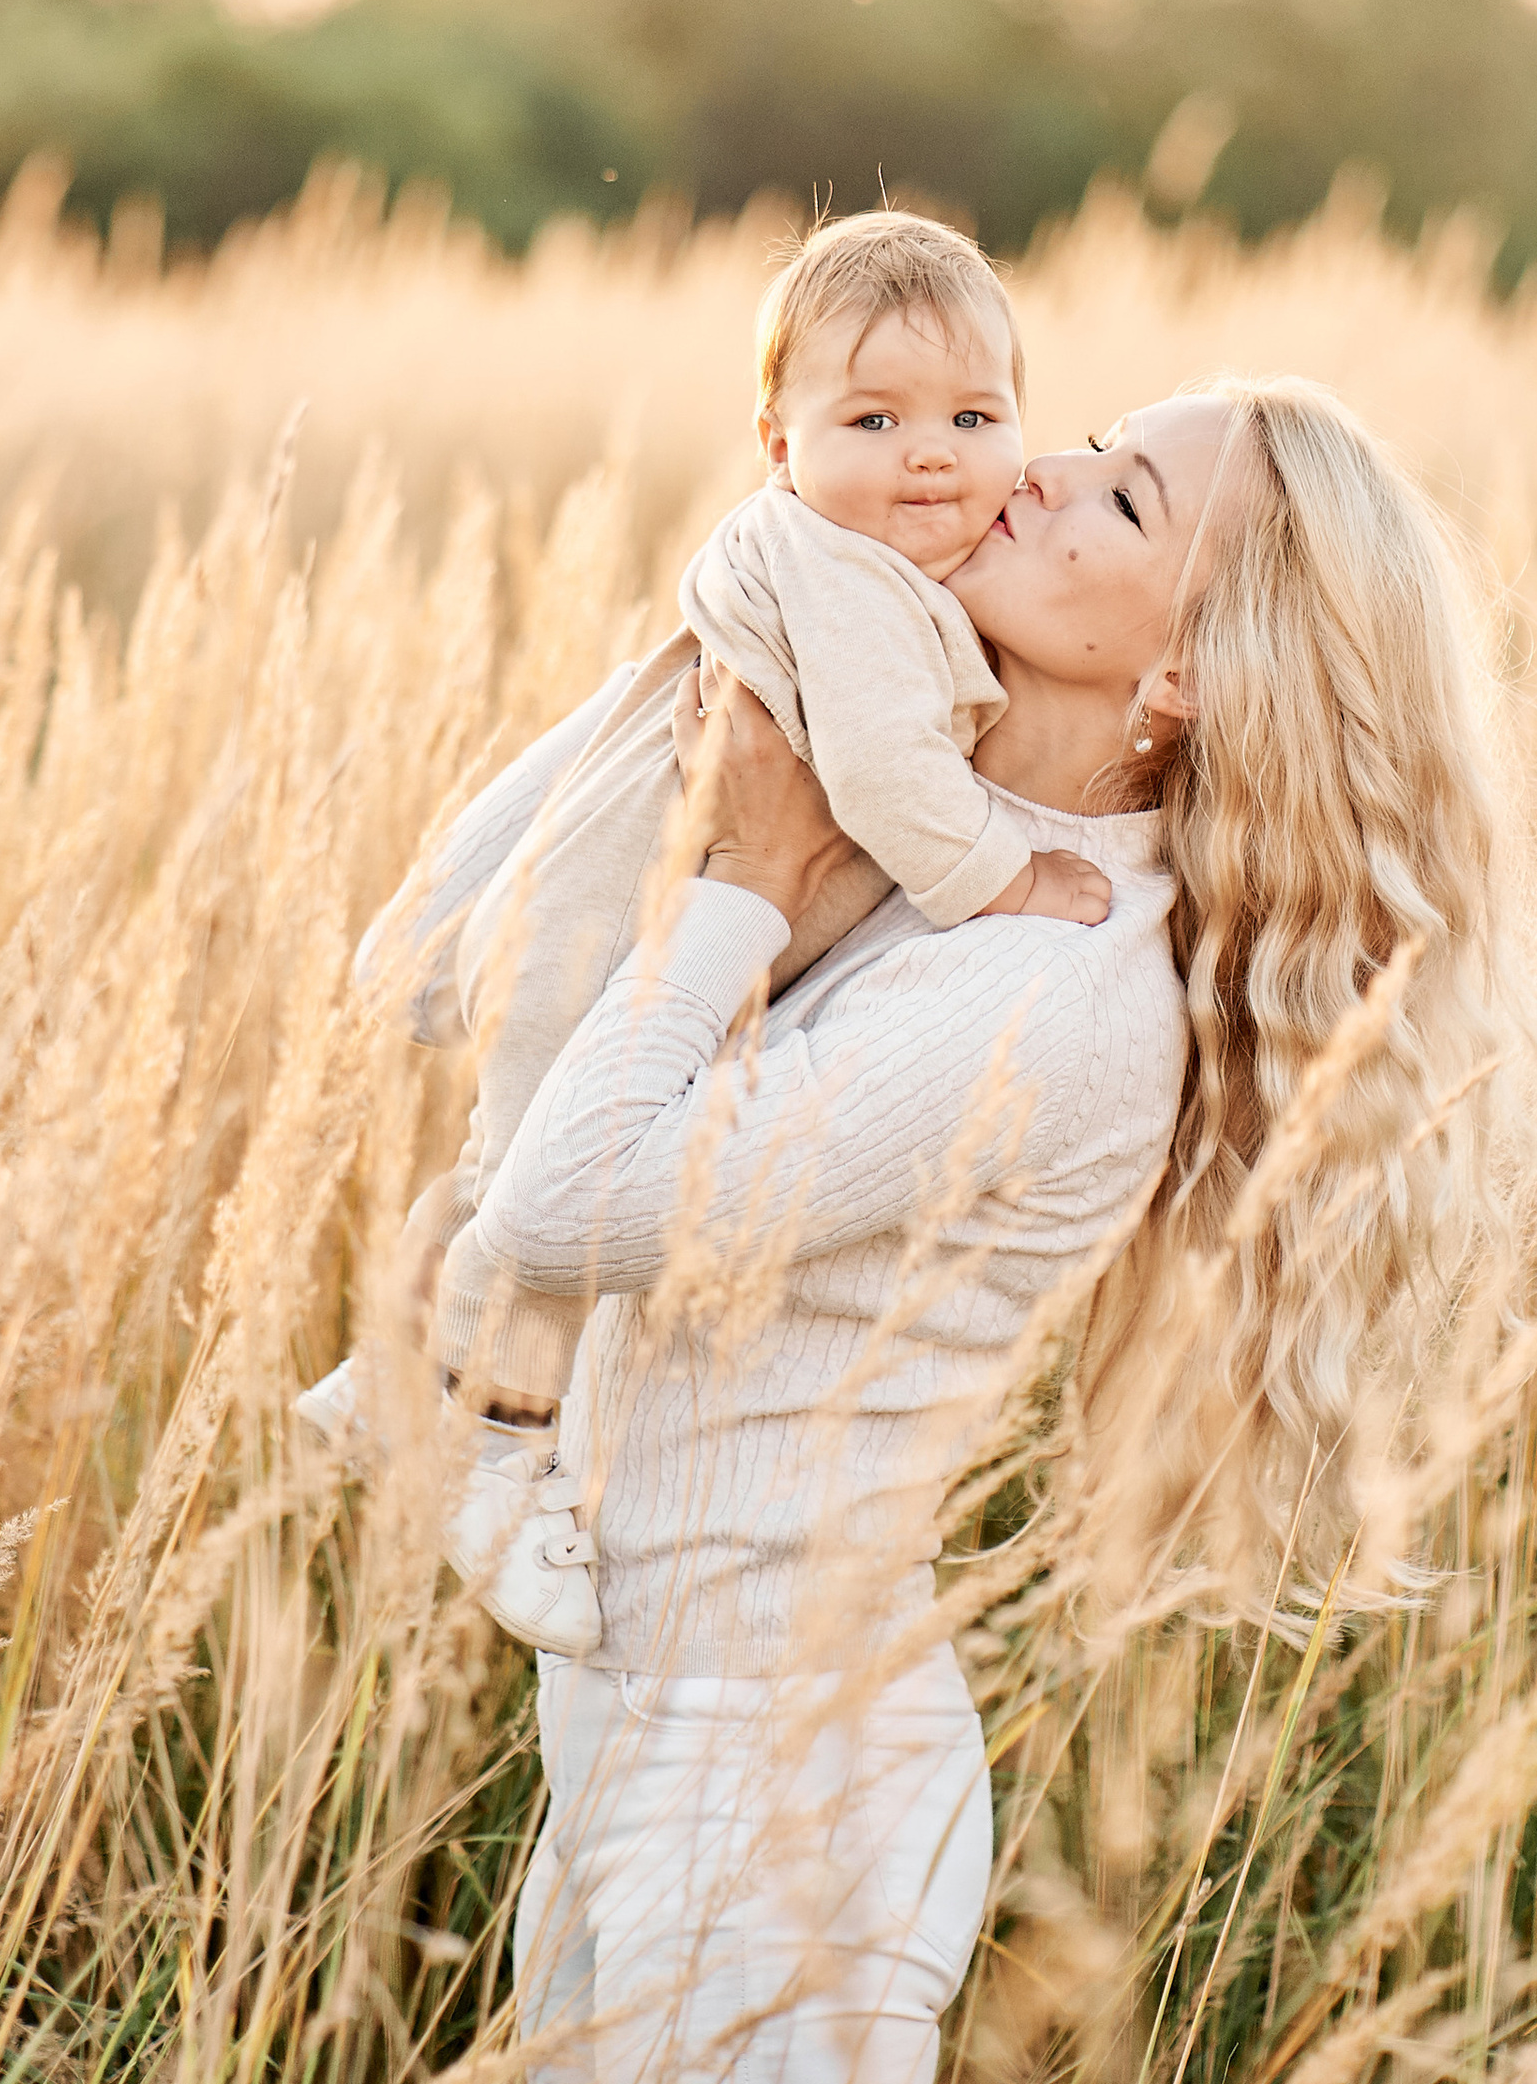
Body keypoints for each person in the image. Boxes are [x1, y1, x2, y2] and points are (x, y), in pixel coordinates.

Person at [355, 373, 1532, 2084]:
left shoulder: (1051, 988)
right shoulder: (956, 875)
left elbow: (567, 1212)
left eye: (1108, 493)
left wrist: (730, 888)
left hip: (767, 1809)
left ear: (1181, 677)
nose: (1016, 476)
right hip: (652, 1741)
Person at [296, 212, 1108, 1654]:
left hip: (651, 902)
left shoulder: (877, 562)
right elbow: (879, 773)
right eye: (874, 418)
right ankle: (492, 1447)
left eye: (975, 416)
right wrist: (1008, 876)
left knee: (505, 1161)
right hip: (623, 916)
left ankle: (383, 1374)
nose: (933, 454)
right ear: (775, 440)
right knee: (543, 1184)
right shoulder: (842, 573)